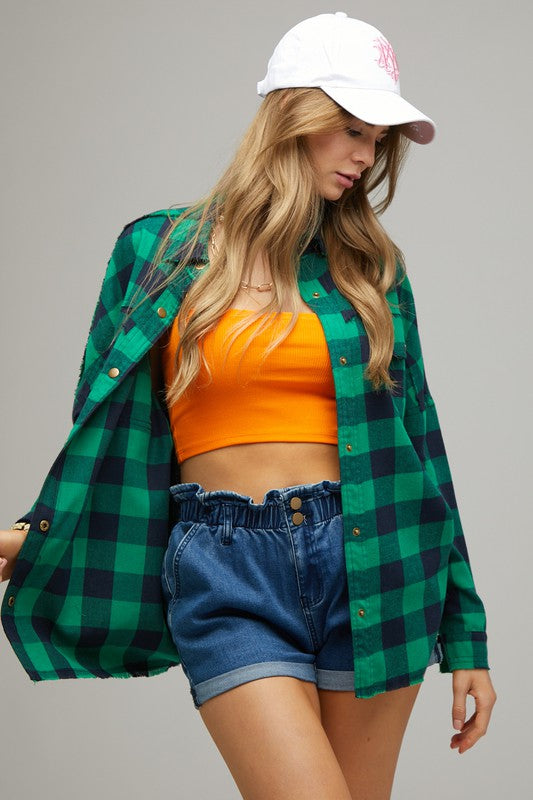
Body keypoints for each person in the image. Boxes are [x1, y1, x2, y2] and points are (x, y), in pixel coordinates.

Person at [0, 11, 496, 800]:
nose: (366, 156)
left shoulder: (370, 270)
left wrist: (466, 635)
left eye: (378, 139)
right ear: (292, 115)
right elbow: (102, 433)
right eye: (350, 130)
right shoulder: (157, 251)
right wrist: (41, 531)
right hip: (224, 565)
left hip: (374, 556)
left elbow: (421, 445)